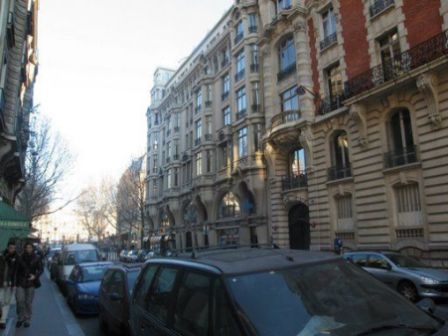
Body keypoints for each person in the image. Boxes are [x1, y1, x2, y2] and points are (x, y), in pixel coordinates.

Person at [15, 242, 43, 328]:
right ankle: (20, 317)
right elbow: (16, 270)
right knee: (20, 301)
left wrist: (35, 276)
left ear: (32, 248)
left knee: (28, 302)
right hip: (20, 282)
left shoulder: (37, 258)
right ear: (25, 248)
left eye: (30, 247)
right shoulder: (20, 257)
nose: (28, 249)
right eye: (27, 247)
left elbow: (41, 269)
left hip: (31, 283)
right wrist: (14, 282)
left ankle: (27, 319)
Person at [0, 241, 19, 329]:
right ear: (7, 247)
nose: (12, 250)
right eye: (11, 248)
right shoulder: (2, 256)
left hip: (9, 283)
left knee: (6, 302)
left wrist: (14, 284)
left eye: (14, 248)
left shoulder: (17, 257)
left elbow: (16, 272)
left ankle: (3, 320)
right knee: (1, 301)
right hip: (0, 282)